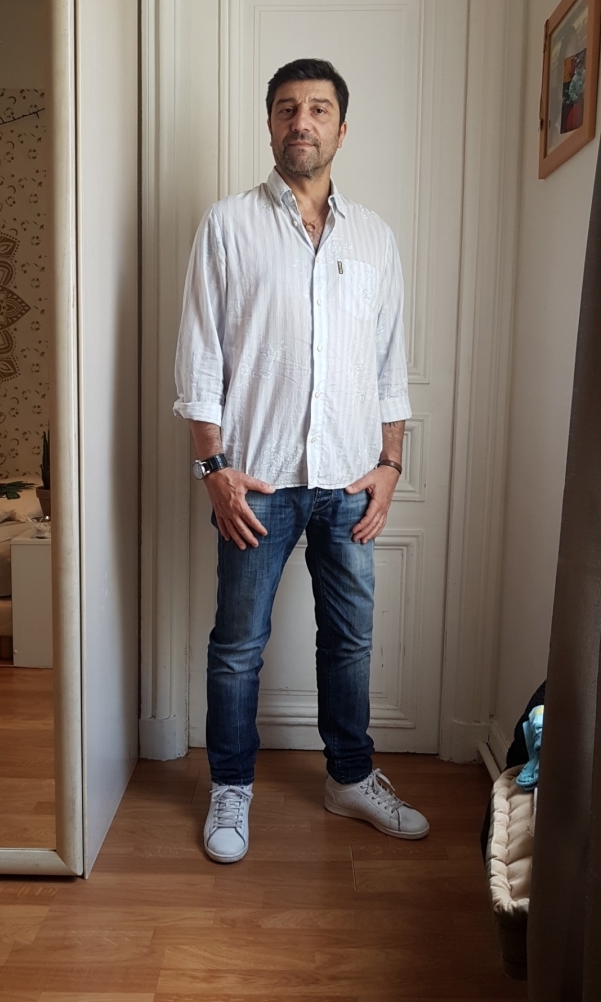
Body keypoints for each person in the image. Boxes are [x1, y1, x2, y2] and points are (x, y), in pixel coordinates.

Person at [174, 57, 430, 863]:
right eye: (287, 108)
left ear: (341, 129)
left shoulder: (376, 237)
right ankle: (231, 786)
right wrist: (213, 471)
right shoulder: (228, 225)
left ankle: (349, 777)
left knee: (349, 642)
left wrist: (391, 465)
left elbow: (390, 362)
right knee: (238, 646)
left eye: (318, 109)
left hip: (351, 482)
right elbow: (200, 356)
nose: (302, 122)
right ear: (270, 124)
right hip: (257, 481)